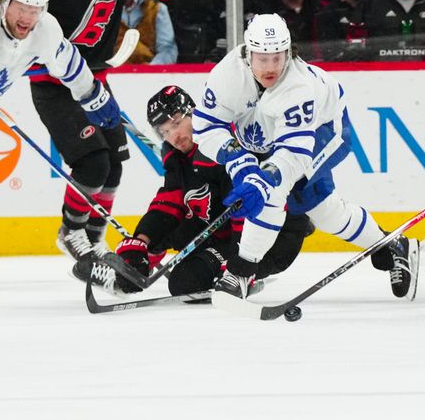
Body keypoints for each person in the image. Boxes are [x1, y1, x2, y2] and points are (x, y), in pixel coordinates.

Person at [192, 13, 420, 301]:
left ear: (288, 52)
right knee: (314, 207)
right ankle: (392, 243)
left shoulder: (298, 87)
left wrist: (262, 178)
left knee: (286, 193)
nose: (271, 67)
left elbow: (293, 155)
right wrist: (241, 164)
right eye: (263, 58)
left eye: (278, 57)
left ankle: (241, 272)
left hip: (325, 131)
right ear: (248, 54)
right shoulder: (228, 75)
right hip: (267, 133)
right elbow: (206, 126)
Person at [24, 0, 192, 260]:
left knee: (114, 165)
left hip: (94, 80)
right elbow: (11, 10)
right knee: (93, 164)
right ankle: (71, 232)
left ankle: (95, 239)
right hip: (53, 84)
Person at [77, 85, 313, 296]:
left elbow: (247, 211)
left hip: (268, 239)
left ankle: (241, 279)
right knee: (168, 232)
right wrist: (141, 241)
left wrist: (239, 266)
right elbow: (170, 201)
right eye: (164, 132)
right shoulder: (176, 156)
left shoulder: (226, 144)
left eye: (177, 123)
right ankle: (131, 271)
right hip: (223, 233)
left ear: (194, 112)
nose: (173, 136)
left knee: (184, 282)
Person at [0, 0, 120, 191]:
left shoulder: (45, 30)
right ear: (5, 3)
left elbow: (69, 65)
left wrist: (92, 94)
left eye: (34, 11)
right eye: (21, 9)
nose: (27, 18)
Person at [116, 0, 178, 64]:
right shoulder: (105, 10)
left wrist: (150, 70)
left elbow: (167, 49)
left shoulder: (156, 8)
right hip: (111, 72)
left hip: (150, 70)